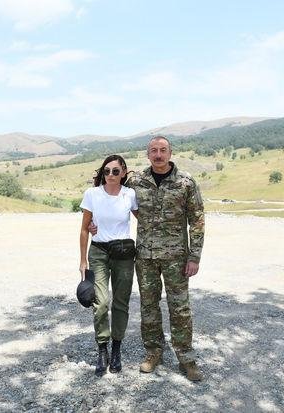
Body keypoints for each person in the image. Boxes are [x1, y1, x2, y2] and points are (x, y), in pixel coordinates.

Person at [90, 136, 205, 381]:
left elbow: (197, 220)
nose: (158, 155)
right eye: (154, 150)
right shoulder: (136, 182)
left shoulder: (186, 182)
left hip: (176, 257)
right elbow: (111, 193)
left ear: (170, 153)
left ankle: (186, 358)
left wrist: (194, 256)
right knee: (148, 307)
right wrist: (93, 222)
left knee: (180, 308)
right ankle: (153, 352)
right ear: (148, 154)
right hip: (145, 257)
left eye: (163, 150)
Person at [79, 154, 138, 376]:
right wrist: (83, 260)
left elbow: (144, 220)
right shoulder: (92, 194)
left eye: (115, 171)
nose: (110, 175)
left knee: (121, 303)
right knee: (101, 302)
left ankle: (116, 350)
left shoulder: (129, 194)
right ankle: (102, 348)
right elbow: (84, 228)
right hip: (99, 252)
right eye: (106, 171)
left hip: (123, 253)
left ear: (123, 173)